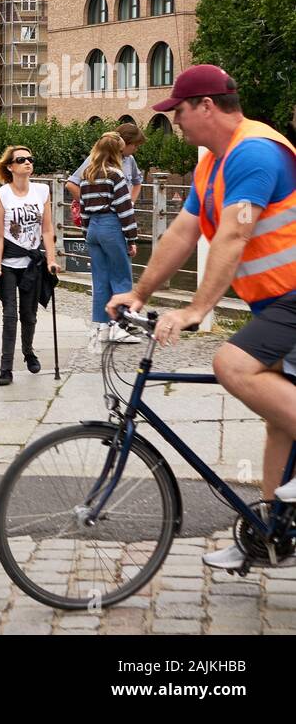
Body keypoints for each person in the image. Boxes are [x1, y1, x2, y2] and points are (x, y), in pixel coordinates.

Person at [103, 66, 296, 570]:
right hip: (275, 303)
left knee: (231, 364)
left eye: (179, 112)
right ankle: (270, 534)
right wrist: (139, 293)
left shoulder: (254, 151)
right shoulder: (212, 164)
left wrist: (196, 309)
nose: (176, 123)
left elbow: (233, 235)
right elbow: (183, 234)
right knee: (281, 421)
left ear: (206, 106)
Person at [0, 145, 59, 386]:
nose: (27, 163)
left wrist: (51, 259)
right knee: (9, 316)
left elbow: (47, 230)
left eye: (30, 158)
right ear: (10, 166)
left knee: (29, 315)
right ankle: (5, 368)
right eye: (21, 160)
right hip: (8, 264)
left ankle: (28, 352)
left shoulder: (42, 191)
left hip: (32, 264)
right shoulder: (1, 195)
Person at [77, 132, 140, 345]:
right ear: (116, 152)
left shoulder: (87, 175)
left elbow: (83, 208)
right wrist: (132, 238)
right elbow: (124, 209)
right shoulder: (115, 175)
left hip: (93, 227)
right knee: (121, 278)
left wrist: (87, 233)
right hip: (111, 226)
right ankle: (119, 326)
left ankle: (100, 326)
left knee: (100, 280)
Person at [66, 122, 146, 206]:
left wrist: (130, 204)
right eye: (135, 145)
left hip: (121, 214)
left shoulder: (130, 159)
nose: (136, 149)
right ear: (125, 142)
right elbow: (71, 185)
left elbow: (137, 182)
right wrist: (92, 206)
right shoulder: (96, 159)